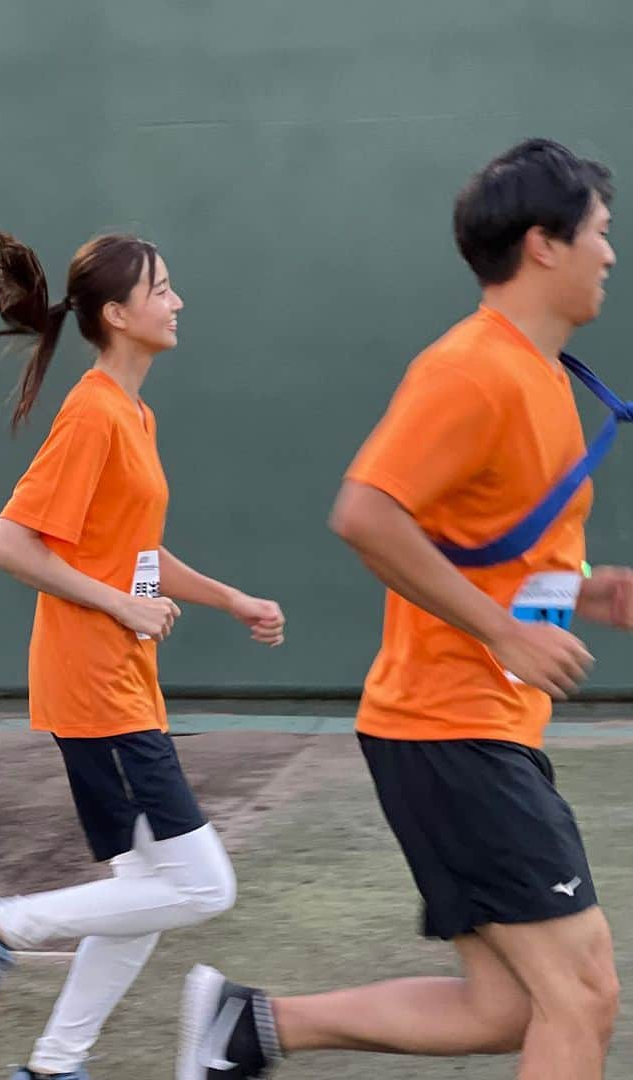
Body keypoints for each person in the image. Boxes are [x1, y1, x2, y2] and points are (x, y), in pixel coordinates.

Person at [176, 138, 630, 1080]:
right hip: (451, 729)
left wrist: (582, 591)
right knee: (581, 996)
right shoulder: (472, 369)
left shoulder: (545, 379)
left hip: (476, 727)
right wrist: (501, 629)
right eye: (600, 233)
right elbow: (366, 513)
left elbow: (481, 541)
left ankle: (247, 1028)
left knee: (510, 1006)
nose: (610, 255)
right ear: (544, 245)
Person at [0, 232, 286, 1080]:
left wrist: (229, 598)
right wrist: (121, 605)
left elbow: (133, 552)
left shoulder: (133, 413)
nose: (177, 302)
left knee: (145, 898)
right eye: (162, 289)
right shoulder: (92, 412)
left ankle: (56, 1066)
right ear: (118, 315)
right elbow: (9, 544)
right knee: (204, 885)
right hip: (94, 685)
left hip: (119, 680)